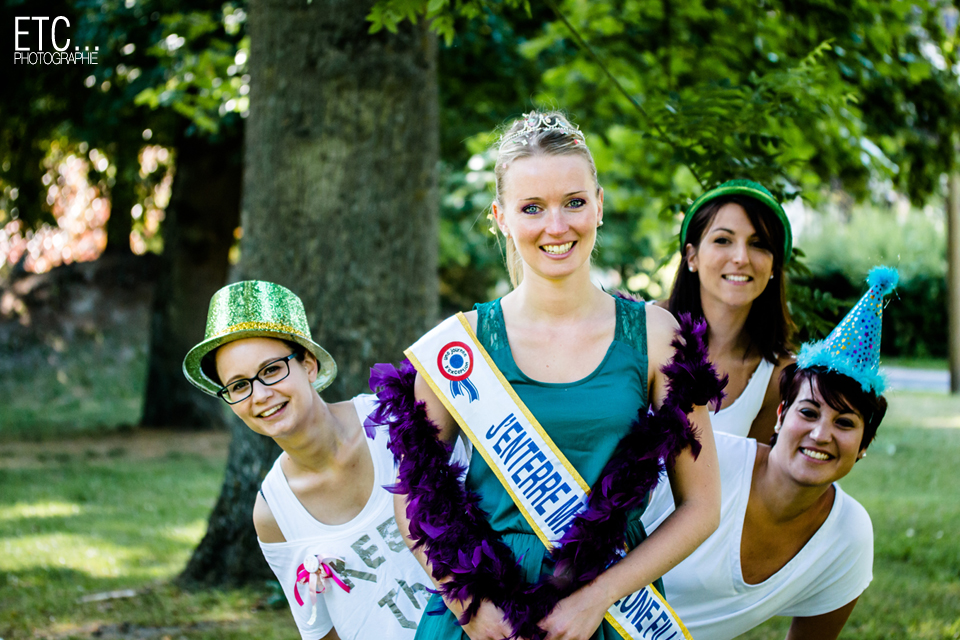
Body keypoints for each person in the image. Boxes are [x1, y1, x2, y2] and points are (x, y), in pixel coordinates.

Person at [373, 111, 722, 640]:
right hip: (485, 612)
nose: (556, 227)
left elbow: (702, 506)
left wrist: (598, 597)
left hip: (609, 609)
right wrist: (467, 601)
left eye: (574, 202)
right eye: (532, 207)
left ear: (599, 205)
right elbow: (413, 496)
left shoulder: (655, 337)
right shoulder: (458, 346)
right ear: (501, 217)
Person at [641, 267, 898, 640]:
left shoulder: (848, 536)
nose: (820, 434)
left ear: (864, 445)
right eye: (808, 412)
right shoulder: (703, 459)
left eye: (844, 423)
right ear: (780, 415)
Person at [182, 280, 437, 640]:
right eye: (239, 386)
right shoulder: (274, 512)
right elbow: (322, 630)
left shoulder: (396, 421)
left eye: (271, 370)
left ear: (309, 366)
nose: (260, 395)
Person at [661, 180, 796, 442]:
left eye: (759, 243)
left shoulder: (779, 376)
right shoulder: (640, 327)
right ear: (692, 256)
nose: (741, 258)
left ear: (773, 266)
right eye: (723, 240)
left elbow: (759, 467)